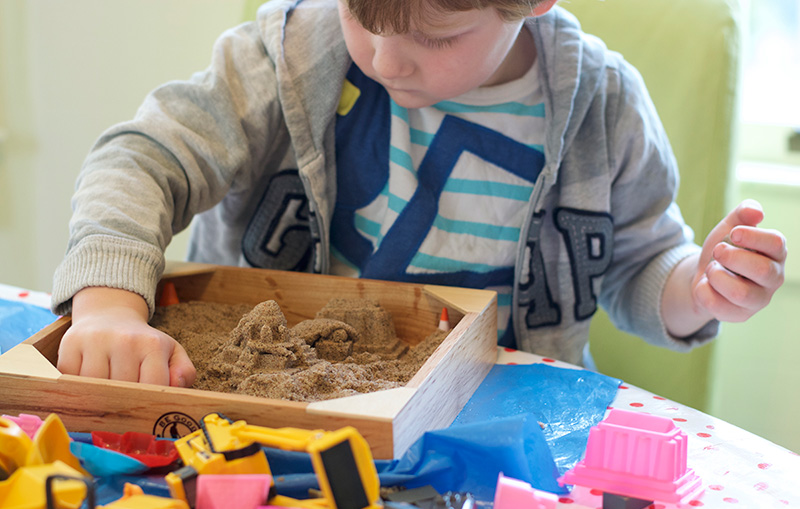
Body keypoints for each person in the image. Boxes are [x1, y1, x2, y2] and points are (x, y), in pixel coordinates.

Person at [51, 0, 787, 387]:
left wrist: (701, 286)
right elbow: (143, 157)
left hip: (492, 429)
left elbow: (639, 265)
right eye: (359, 13)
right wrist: (109, 304)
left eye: (437, 39)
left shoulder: (604, 104)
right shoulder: (283, 59)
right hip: (278, 415)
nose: (383, 56)